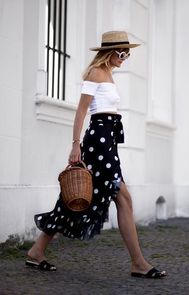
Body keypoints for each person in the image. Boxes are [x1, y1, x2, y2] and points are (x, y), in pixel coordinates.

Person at [26, 31, 167, 279]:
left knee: (79, 200)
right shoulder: (96, 73)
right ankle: (138, 263)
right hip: (98, 142)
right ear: (109, 52)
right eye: (122, 52)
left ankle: (37, 251)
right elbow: (81, 111)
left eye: (128, 53)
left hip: (107, 141)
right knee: (123, 199)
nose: (125, 57)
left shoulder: (109, 74)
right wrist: (75, 144)